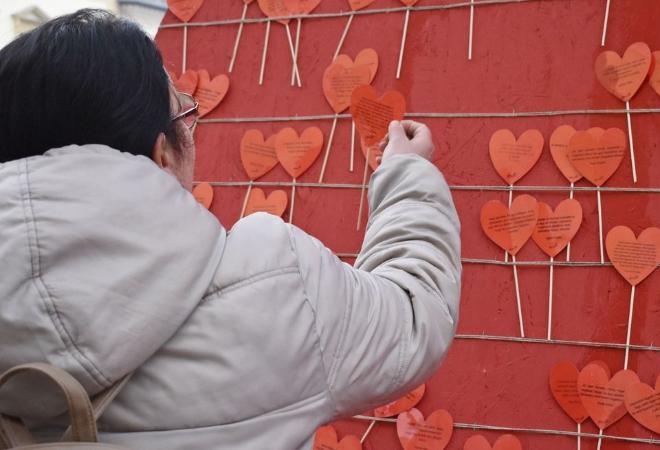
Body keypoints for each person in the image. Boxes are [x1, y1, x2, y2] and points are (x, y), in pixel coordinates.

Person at [0, 9, 461, 449]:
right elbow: (414, 313)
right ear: (162, 155)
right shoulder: (274, 285)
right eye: (184, 113)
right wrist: (406, 174)